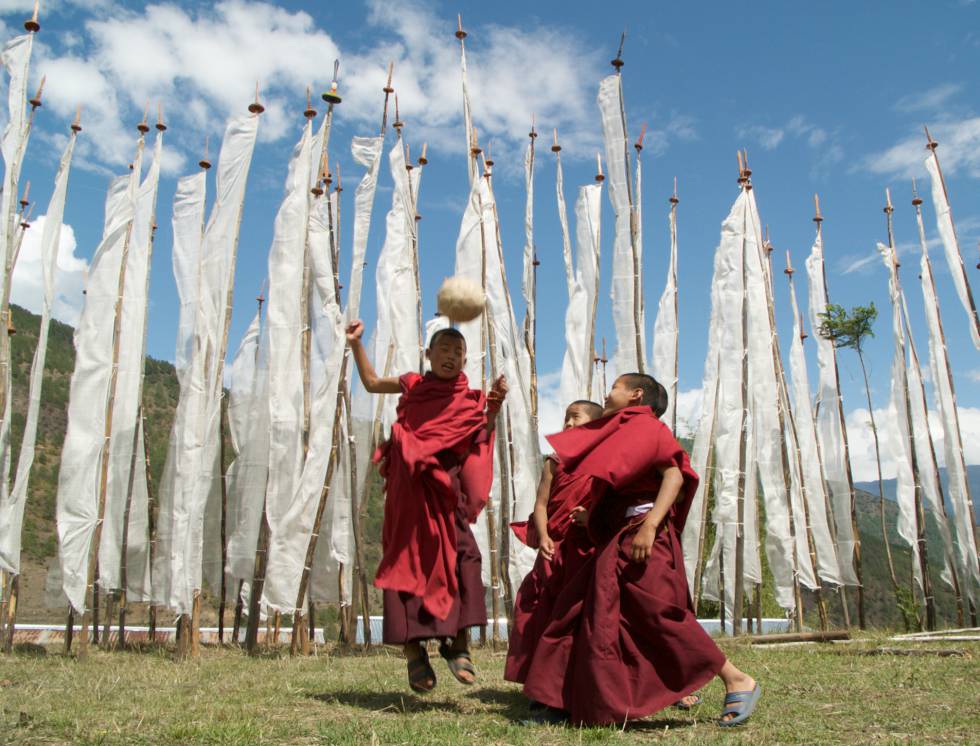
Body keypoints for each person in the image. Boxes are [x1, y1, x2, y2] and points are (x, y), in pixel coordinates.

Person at [522, 373, 761, 727]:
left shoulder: (647, 427)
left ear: (636, 395)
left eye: (614, 388)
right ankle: (568, 701)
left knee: (658, 613)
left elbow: (674, 476)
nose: (607, 393)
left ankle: (736, 678)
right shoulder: (621, 430)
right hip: (618, 536)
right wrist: (596, 517)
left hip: (643, 534)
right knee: (584, 611)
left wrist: (649, 526)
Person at [346, 320, 508, 693]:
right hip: (409, 495)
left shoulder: (470, 398)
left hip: (444, 491)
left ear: (465, 359)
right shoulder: (412, 385)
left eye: (458, 352)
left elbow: (479, 436)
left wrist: (494, 407)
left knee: (465, 557)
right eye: (445, 349)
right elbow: (371, 383)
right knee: (406, 566)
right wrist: (356, 343)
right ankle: (413, 652)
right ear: (428, 354)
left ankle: (458, 644)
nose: (451, 357)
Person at [504, 400, 604, 685]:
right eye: (566, 419)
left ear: (596, 425)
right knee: (536, 607)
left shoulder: (603, 461)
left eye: (576, 417)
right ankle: (537, 678)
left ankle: (574, 678)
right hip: (554, 546)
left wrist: (591, 516)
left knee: (577, 612)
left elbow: (607, 503)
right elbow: (541, 504)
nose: (569, 424)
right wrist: (545, 535)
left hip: (585, 548)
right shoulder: (555, 460)